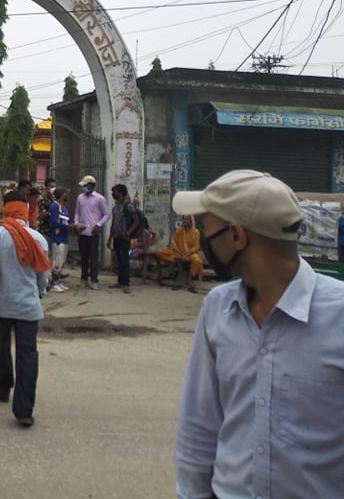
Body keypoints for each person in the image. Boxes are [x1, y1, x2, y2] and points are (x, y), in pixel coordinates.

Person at [172, 169, 344, 499]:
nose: (204, 240)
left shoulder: (338, 315)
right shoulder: (217, 309)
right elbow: (199, 425)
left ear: (237, 236)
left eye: (207, 229)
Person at [0, 191, 51, 428]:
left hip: (1, 305)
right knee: (27, 356)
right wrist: (38, 294)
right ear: (25, 211)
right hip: (29, 307)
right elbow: (43, 275)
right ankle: (24, 411)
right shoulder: (38, 239)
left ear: (6, 210)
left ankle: (1, 389)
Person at [72, 175, 109, 289]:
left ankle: (94, 279)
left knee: (93, 258)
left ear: (92, 185)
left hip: (93, 232)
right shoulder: (80, 198)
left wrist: (98, 225)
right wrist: (77, 224)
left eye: (85, 185)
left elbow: (107, 214)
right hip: (82, 231)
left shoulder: (100, 199)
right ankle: (84, 278)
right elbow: (77, 212)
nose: (83, 188)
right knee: (84, 257)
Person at [154, 215, 203, 291]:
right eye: (183, 219)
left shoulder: (196, 232)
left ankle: (190, 278)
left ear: (191, 221)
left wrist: (187, 254)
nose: (184, 221)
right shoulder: (179, 230)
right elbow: (173, 242)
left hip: (190, 254)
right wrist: (178, 254)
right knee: (159, 252)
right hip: (178, 254)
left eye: (186, 219)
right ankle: (176, 259)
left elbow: (196, 246)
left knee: (197, 260)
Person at [106, 184, 139, 293]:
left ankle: (126, 284)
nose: (113, 194)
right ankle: (120, 282)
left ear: (120, 193)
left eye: (115, 192)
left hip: (125, 238)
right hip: (117, 237)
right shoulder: (115, 208)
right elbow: (113, 224)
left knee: (125, 260)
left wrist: (128, 233)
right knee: (119, 260)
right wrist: (110, 238)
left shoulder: (128, 206)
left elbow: (136, 221)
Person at [48, 186, 71, 291]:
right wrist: (67, 226)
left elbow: (66, 221)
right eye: (65, 194)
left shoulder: (64, 208)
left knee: (62, 260)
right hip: (57, 237)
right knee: (57, 260)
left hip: (64, 237)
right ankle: (54, 282)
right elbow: (53, 223)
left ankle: (58, 281)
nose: (66, 196)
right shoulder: (54, 206)